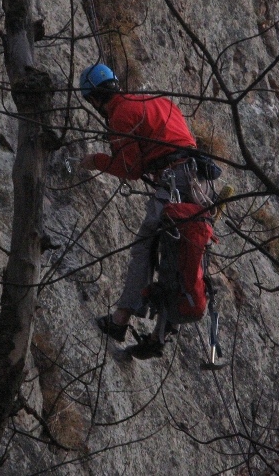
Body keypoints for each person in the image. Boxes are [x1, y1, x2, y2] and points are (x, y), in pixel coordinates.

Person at [78, 63, 212, 359]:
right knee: (181, 254)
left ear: (94, 99)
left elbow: (130, 168)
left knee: (145, 246)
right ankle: (158, 335)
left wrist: (97, 160)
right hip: (198, 181)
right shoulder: (156, 100)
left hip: (174, 179)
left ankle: (121, 319)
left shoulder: (121, 115)